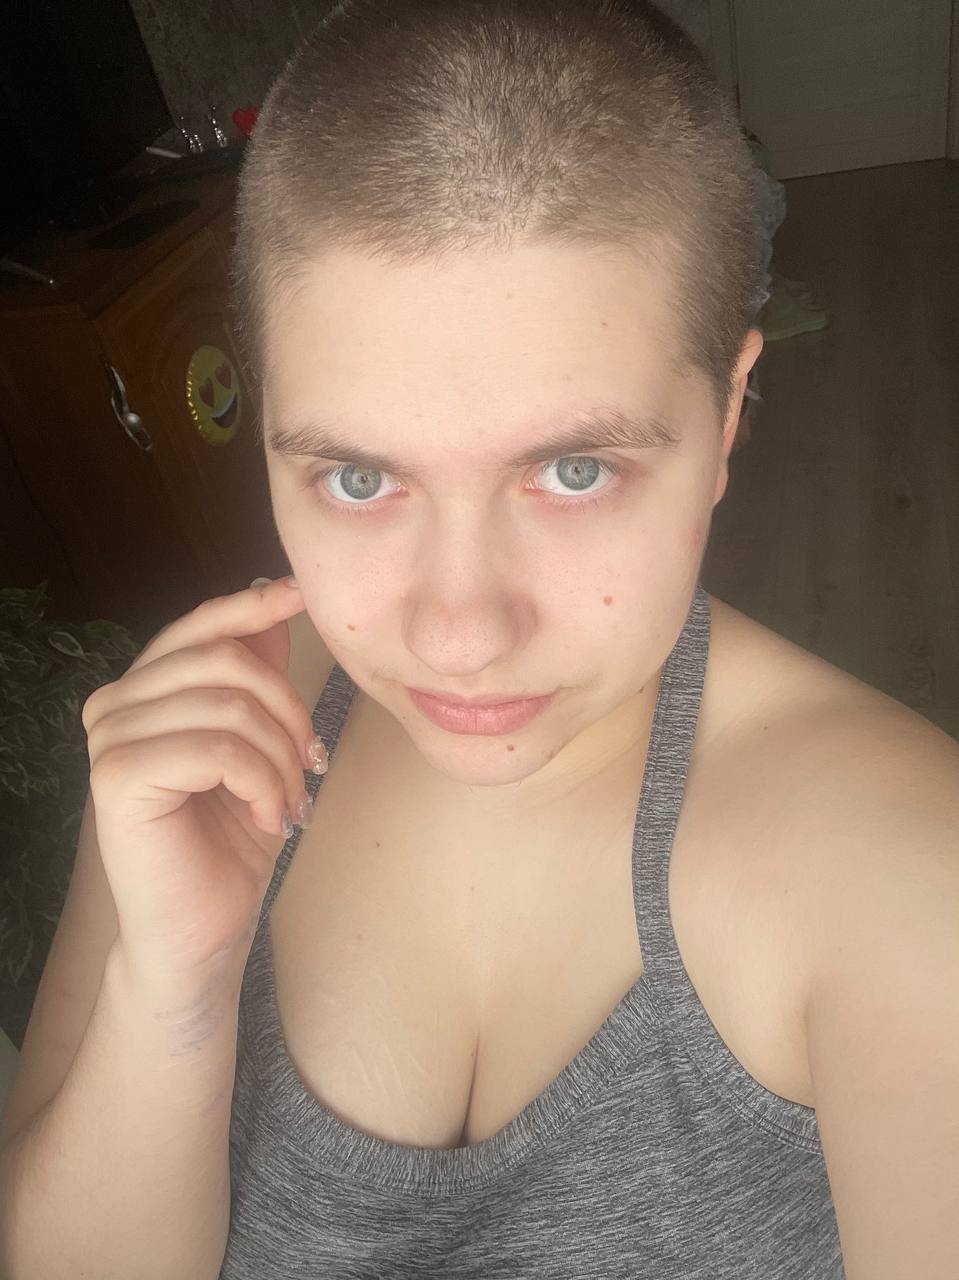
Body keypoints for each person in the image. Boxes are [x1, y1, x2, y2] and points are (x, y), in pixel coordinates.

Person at [0, 3, 955, 1279]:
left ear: (726, 415)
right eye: (357, 478)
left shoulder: (903, 875)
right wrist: (172, 985)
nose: (456, 632)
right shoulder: (210, 733)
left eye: (572, 470)